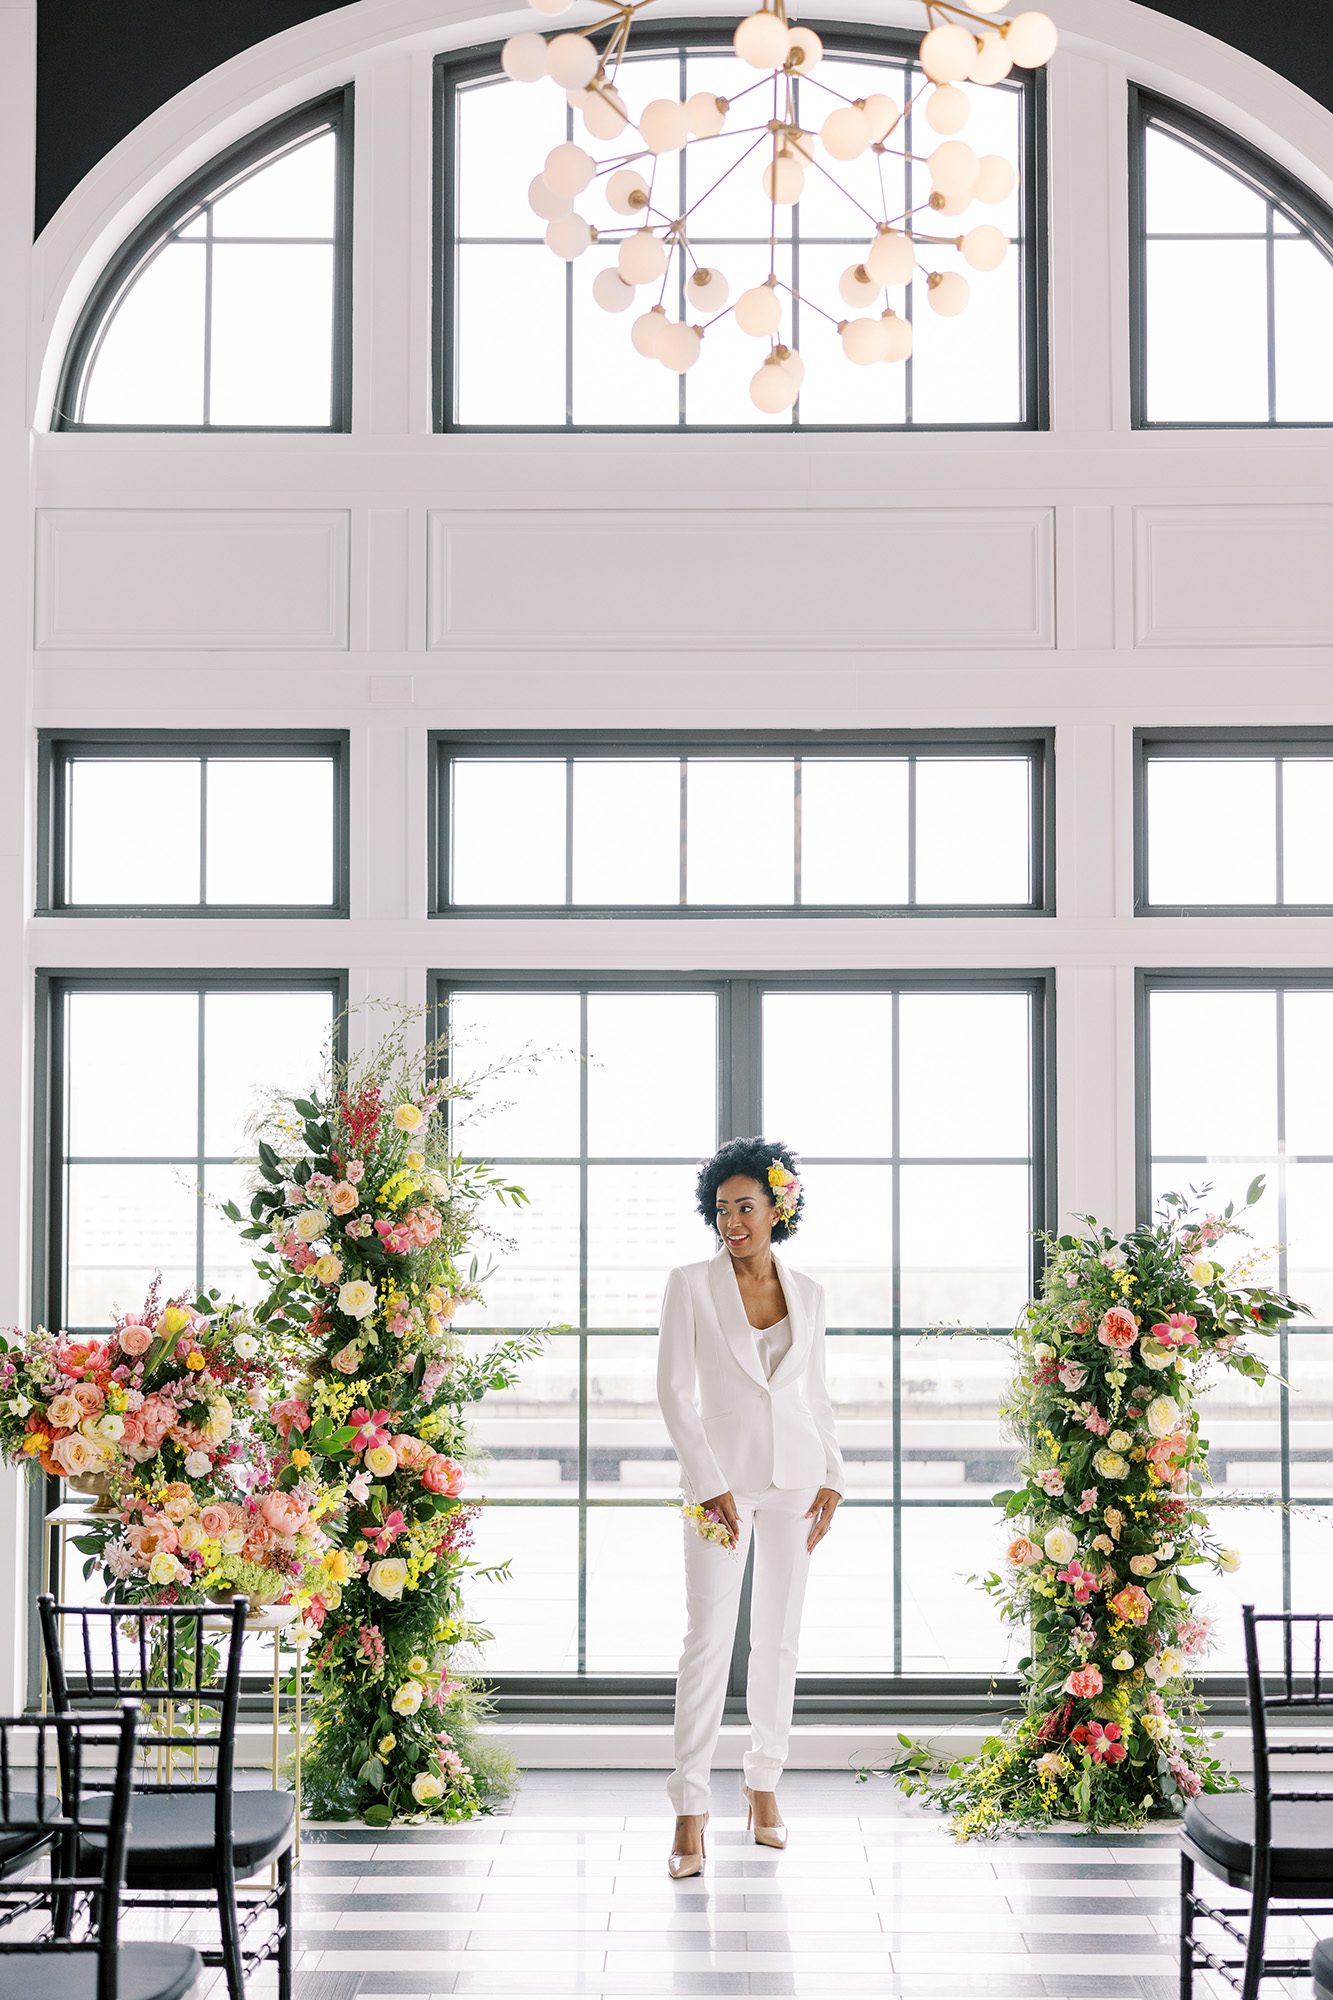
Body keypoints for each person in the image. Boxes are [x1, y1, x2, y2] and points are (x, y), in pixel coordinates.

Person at [655, 1137, 844, 1879]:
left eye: (745, 1207)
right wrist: (706, 1481)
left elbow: (815, 1394)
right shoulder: (690, 1285)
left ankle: (764, 1784)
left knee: (778, 1640)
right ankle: (689, 1807)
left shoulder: (810, 1294)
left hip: (796, 1479)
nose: (731, 1221)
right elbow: (673, 1392)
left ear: (777, 1208)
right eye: (721, 1208)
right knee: (706, 1641)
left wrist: (834, 1472)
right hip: (718, 1486)